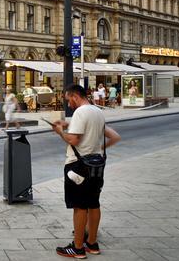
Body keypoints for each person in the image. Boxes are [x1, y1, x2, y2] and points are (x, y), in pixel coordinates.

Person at [51, 83, 122, 258]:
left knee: (80, 206)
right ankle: (92, 243)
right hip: (96, 165)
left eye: (69, 100)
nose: (68, 104)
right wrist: (96, 148)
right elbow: (114, 136)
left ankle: (77, 248)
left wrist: (61, 131)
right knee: (93, 203)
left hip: (78, 165)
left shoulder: (80, 112)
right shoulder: (97, 111)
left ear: (75, 96)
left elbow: (74, 140)